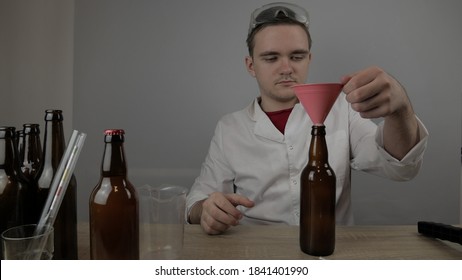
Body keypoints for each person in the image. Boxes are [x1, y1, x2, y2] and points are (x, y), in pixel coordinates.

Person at [186, 2, 428, 235]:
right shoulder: (229, 128)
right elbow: (195, 202)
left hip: (330, 253)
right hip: (258, 253)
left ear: (309, 59)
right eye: (271, 58)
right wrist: (207, 210)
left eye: (297, 56)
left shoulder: (341, 110)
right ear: (251, 66)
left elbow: (399, 167)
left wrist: (400, 111)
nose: (286, 68)